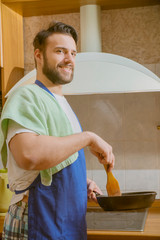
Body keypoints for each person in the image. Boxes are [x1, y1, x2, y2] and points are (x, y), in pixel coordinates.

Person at [0, 21, 115, 240]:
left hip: (64, 224)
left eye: (73, 52)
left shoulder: (61, 103)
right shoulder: (26, 96)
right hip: (36, 221)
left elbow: (53, 163)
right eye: (60, 51)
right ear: (39, 55)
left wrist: (83, 184)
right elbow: (29, 155)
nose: (69, 59)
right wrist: (89, 138)